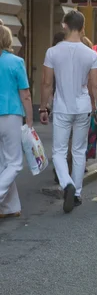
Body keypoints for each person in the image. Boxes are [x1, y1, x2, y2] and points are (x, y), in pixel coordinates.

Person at [40, 10, 97, 213]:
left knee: (58, 151)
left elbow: (47, 83)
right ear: (83, 27)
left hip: (61, 107)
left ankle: (66, 183)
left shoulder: (52, 52)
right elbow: (96, 85)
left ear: (64, 26)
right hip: (83, 107)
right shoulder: (91, 53)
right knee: (78, 151)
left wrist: (43, 106)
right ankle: (76, 193)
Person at [0, 21, 33, 218]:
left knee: (3, 163)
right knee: (14, 163)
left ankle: (11, 207)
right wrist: (29, 119)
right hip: (11, 114)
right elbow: (26, 94)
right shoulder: (15, 62)